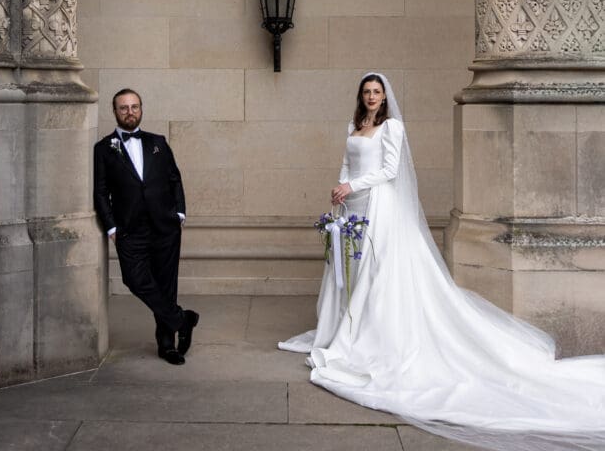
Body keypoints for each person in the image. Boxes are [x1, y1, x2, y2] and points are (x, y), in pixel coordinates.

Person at [280, 72, 605, 451]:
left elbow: (388, 171)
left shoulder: (392, 128)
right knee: (349, 269)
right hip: (351, 207)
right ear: (361, 97)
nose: (371, 97)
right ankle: (342, 329)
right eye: (366, 92)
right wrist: (340, 191)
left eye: (377, 92)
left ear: (385, 97)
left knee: (376, 272)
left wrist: (353, 185)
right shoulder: (353, 125)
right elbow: (345, 164)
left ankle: (367, 338)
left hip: (380, 207)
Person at [93, 87, 199, 365]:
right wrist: (112, 229)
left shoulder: (158, 143)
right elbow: (100, 192)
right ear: (114, 112)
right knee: (135, 279)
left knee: (166, 286)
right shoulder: (104, 149)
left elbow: (174, 179)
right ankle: (182, 320)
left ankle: (168, 346)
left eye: (134, 107)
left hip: (165, 227)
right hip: (129, 230)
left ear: (141, 109)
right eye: (124, 108)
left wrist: (180, 213)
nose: (130, 112)